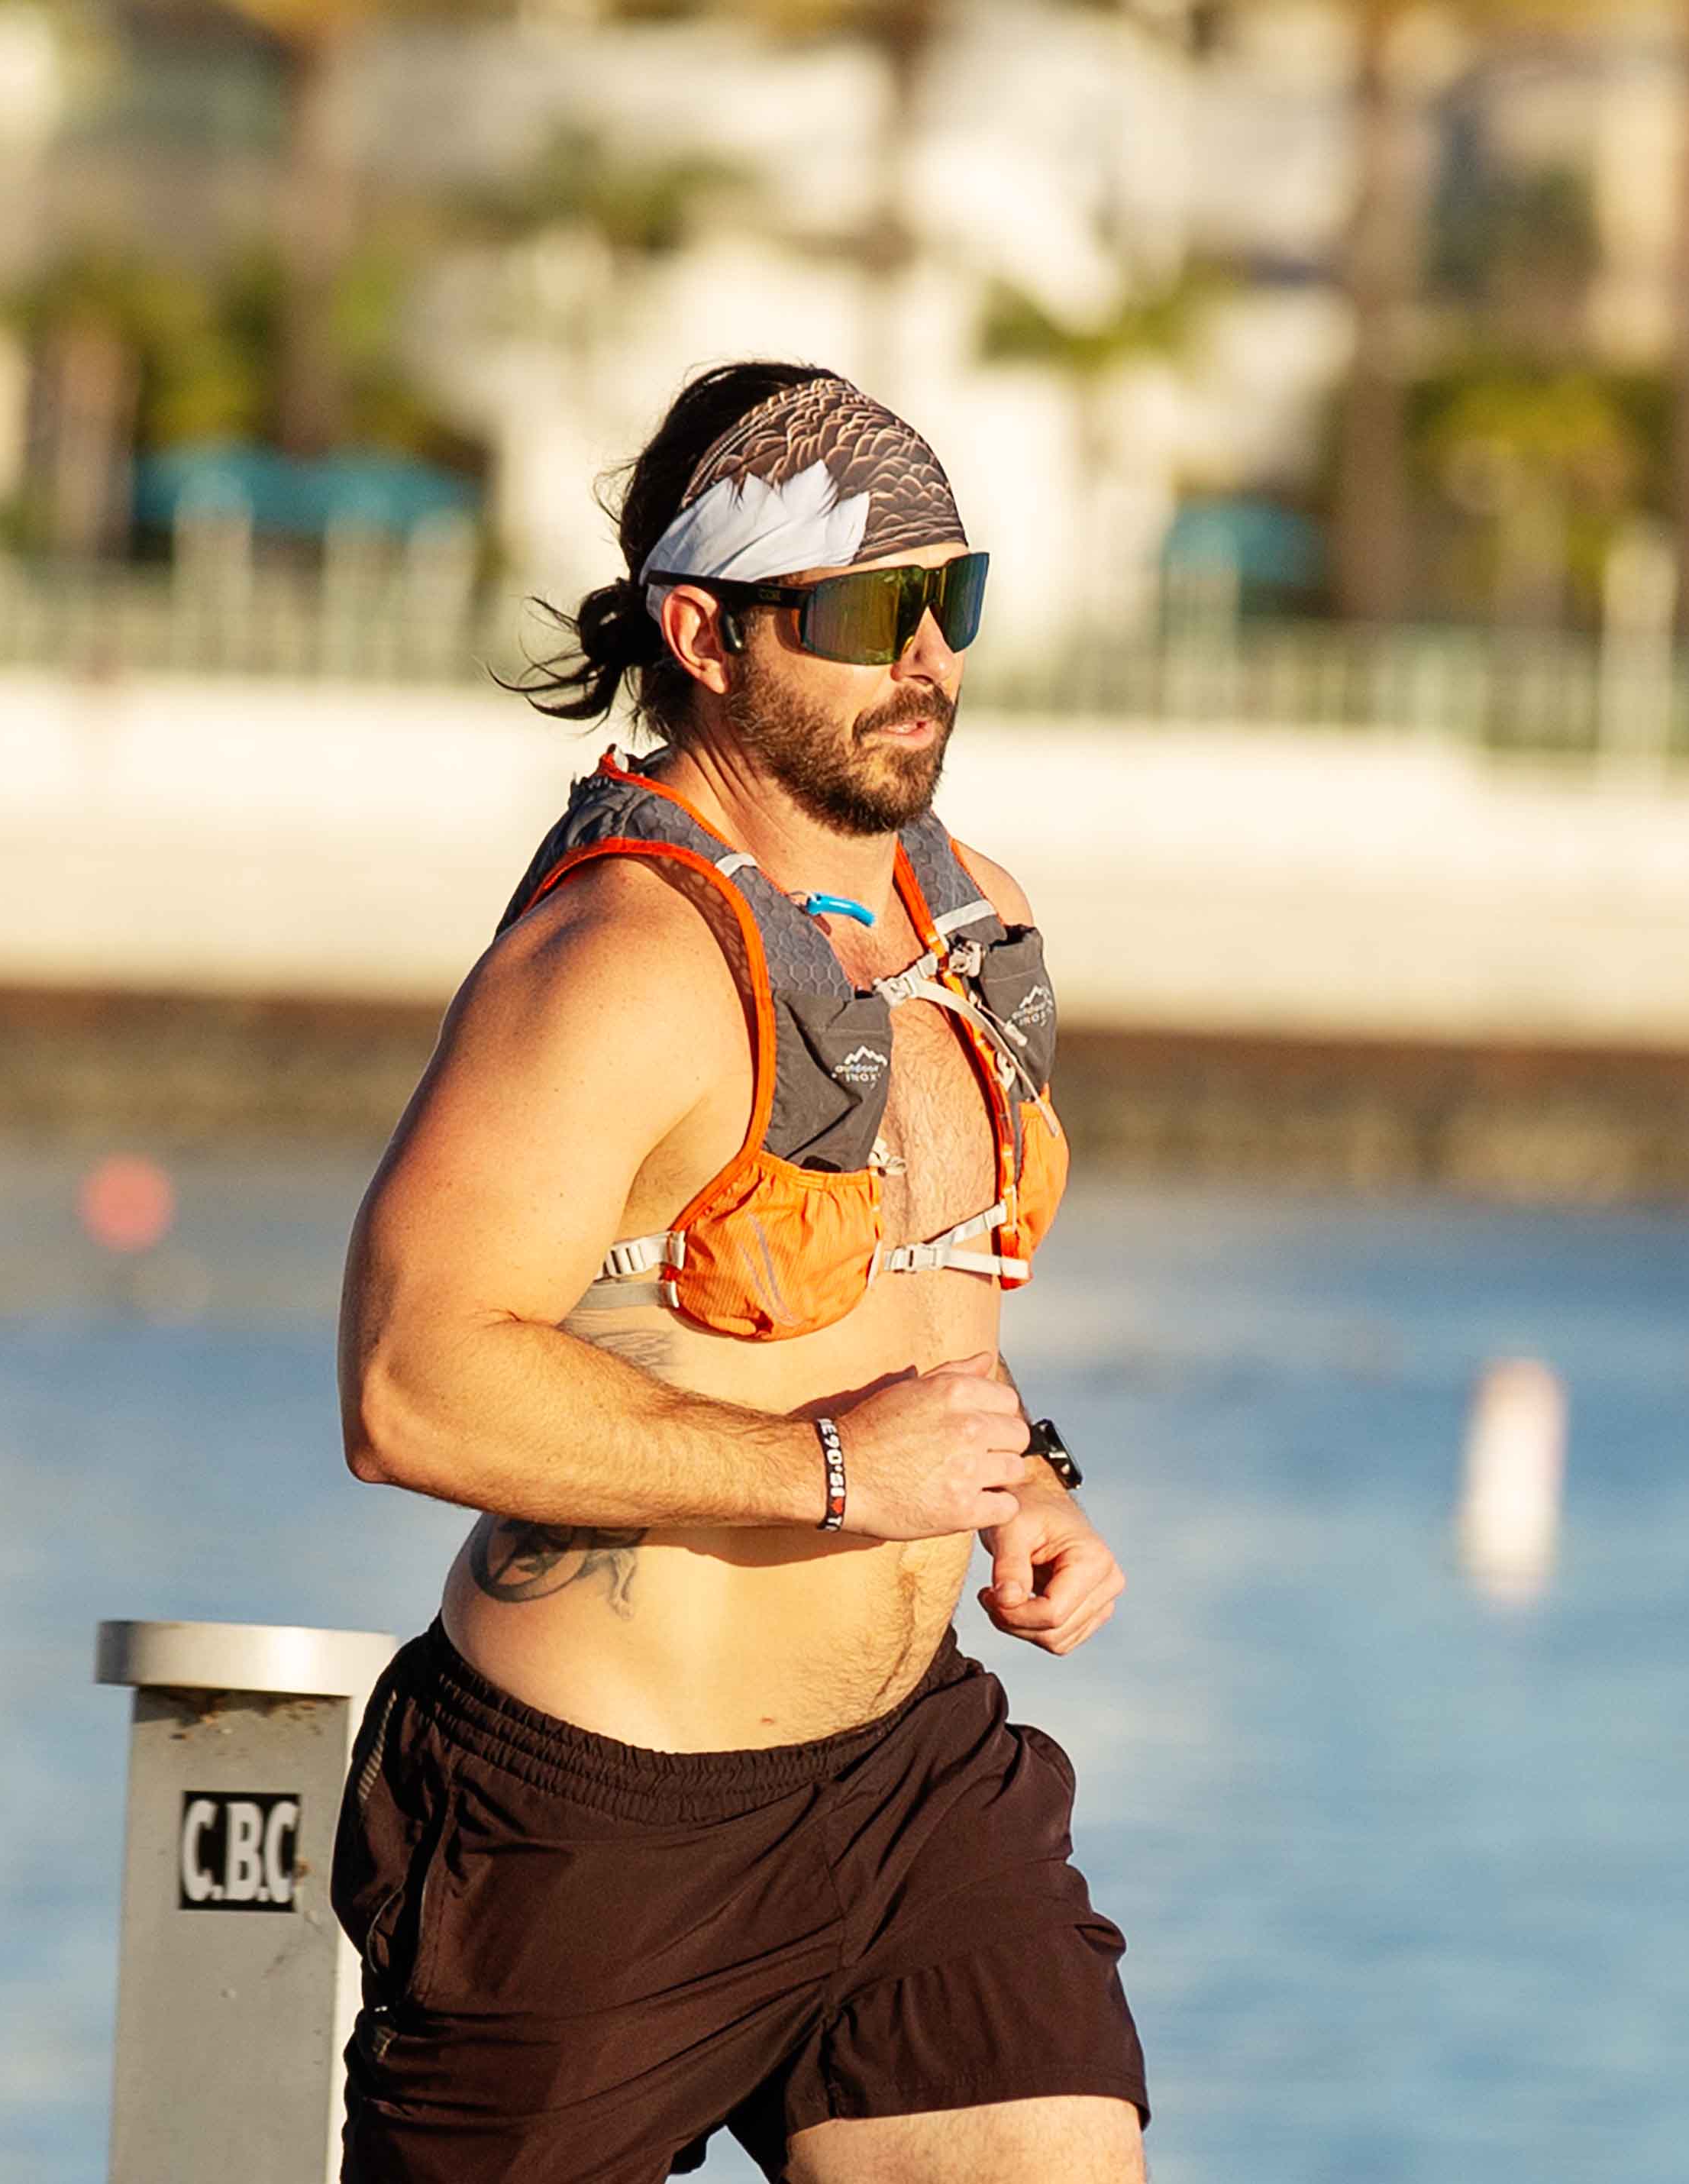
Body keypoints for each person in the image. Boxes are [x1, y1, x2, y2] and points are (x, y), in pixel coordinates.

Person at [333, 360, 1148, 2182]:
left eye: (955, 599)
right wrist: (836, 1474)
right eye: (862, 612)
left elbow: (903, 1307)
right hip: (588, 1822)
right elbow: (404, 1380)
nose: (924, 655)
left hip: (904, 1782)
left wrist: (1013, 1483)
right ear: (701, 629)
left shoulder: (968, 915)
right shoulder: (616, 965)